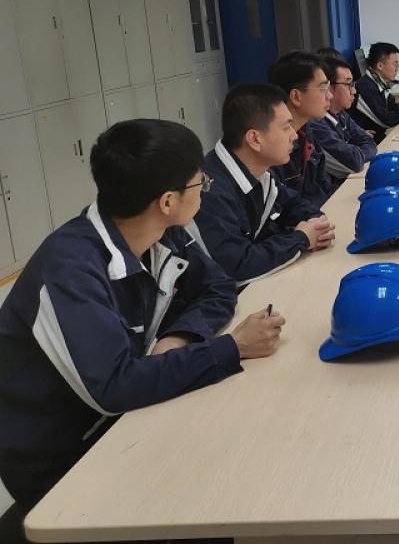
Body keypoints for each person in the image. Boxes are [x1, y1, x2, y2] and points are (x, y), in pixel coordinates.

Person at [0, 119, 285, 513]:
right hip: (61, 455)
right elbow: (115, 387)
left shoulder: (160, 230)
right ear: (167, 201)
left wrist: (180, 336)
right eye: (199, 183)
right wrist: (232, 347)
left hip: (126, 417)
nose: (204, 188)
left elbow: (218, 286)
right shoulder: (70, 267)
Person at [192, 83, 335, 287]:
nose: (294, 135)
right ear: (255, 139)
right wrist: (301, 237)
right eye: (286, 127)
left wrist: (315, 223)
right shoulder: (209, 190)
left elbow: (292, 202)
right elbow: (237, 267)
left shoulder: (259, 171)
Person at [267, 50, 337, 207]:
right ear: (296, 97)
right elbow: (285, 209)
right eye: (323, 89)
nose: (330, 96)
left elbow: (324, 187)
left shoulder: (305, 133)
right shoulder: (271, 147)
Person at [310, 49, 377, 191]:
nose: (354, 91)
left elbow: (369, 141)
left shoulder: (340, 113)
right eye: (349, 85)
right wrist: (356, 153)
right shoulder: (314, 124)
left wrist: (356, 152)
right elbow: (353, 162)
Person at [350, 41, 399, 142]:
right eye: (395, 64)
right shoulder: (365, 87)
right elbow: (385, 120)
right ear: (380, 65)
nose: (397, 69)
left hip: (378, 138)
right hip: (368, 141)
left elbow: (393, 107)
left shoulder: (379, 83)